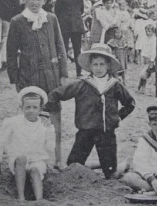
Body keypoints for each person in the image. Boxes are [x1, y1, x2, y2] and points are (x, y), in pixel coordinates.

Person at [44, 44, 135, 178]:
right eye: (95, 64)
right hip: (85, 131)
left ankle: (121, 166)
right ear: (90, 66)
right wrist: (46, 106)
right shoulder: (82, 84)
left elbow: (130, 103)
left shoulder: (115, 85)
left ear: (108, 65)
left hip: (106, 133)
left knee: (111, 175)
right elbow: (58, 93)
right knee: (73, 168)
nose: (98, 68)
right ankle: (99, 164)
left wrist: (117, 117)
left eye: (102, 64)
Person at [6, 0, 68, 168]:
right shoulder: (17, 21)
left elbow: (60, 46)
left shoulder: (51, 19)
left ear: (45, 0)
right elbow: (10, 53)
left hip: (51, 77)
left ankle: (57, 159)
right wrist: (14, 79)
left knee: (55, 118)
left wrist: (63, 73)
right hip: (29, 77)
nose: (34, 2)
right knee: (32, 118)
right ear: (25, 0)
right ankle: (31, 157)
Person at [0, 87, 50, 201]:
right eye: (27, 107)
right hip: (17, 160)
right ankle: (21, 197)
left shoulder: (45, 125)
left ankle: (39, 199)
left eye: (35, 107)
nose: (31, 110)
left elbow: (50, 147)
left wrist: (50, 163)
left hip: (37, 160)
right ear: (22, 107)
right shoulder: (12, 122)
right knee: (21, 158)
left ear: (40, 109)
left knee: (35, 170)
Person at [54, 0, 86, 77]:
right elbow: (82, 10)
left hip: (64, 26)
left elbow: (56, 11)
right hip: (77, 26)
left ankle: (64, 72)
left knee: (63, 50)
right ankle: (79, 72)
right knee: (78, 49)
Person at [137, 23, 156, 93]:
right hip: (144, 57)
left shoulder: (154, 39)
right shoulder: (145, 38)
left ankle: (143, 88)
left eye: (149, 31)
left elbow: (153, 50)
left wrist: (152, 60)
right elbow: (143, 48)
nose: (147, 33)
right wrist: (142, 55)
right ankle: (140, 86)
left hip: (149, 58)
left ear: (153, 32)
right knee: (142, 73)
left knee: (145, 74)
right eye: (146, 31)